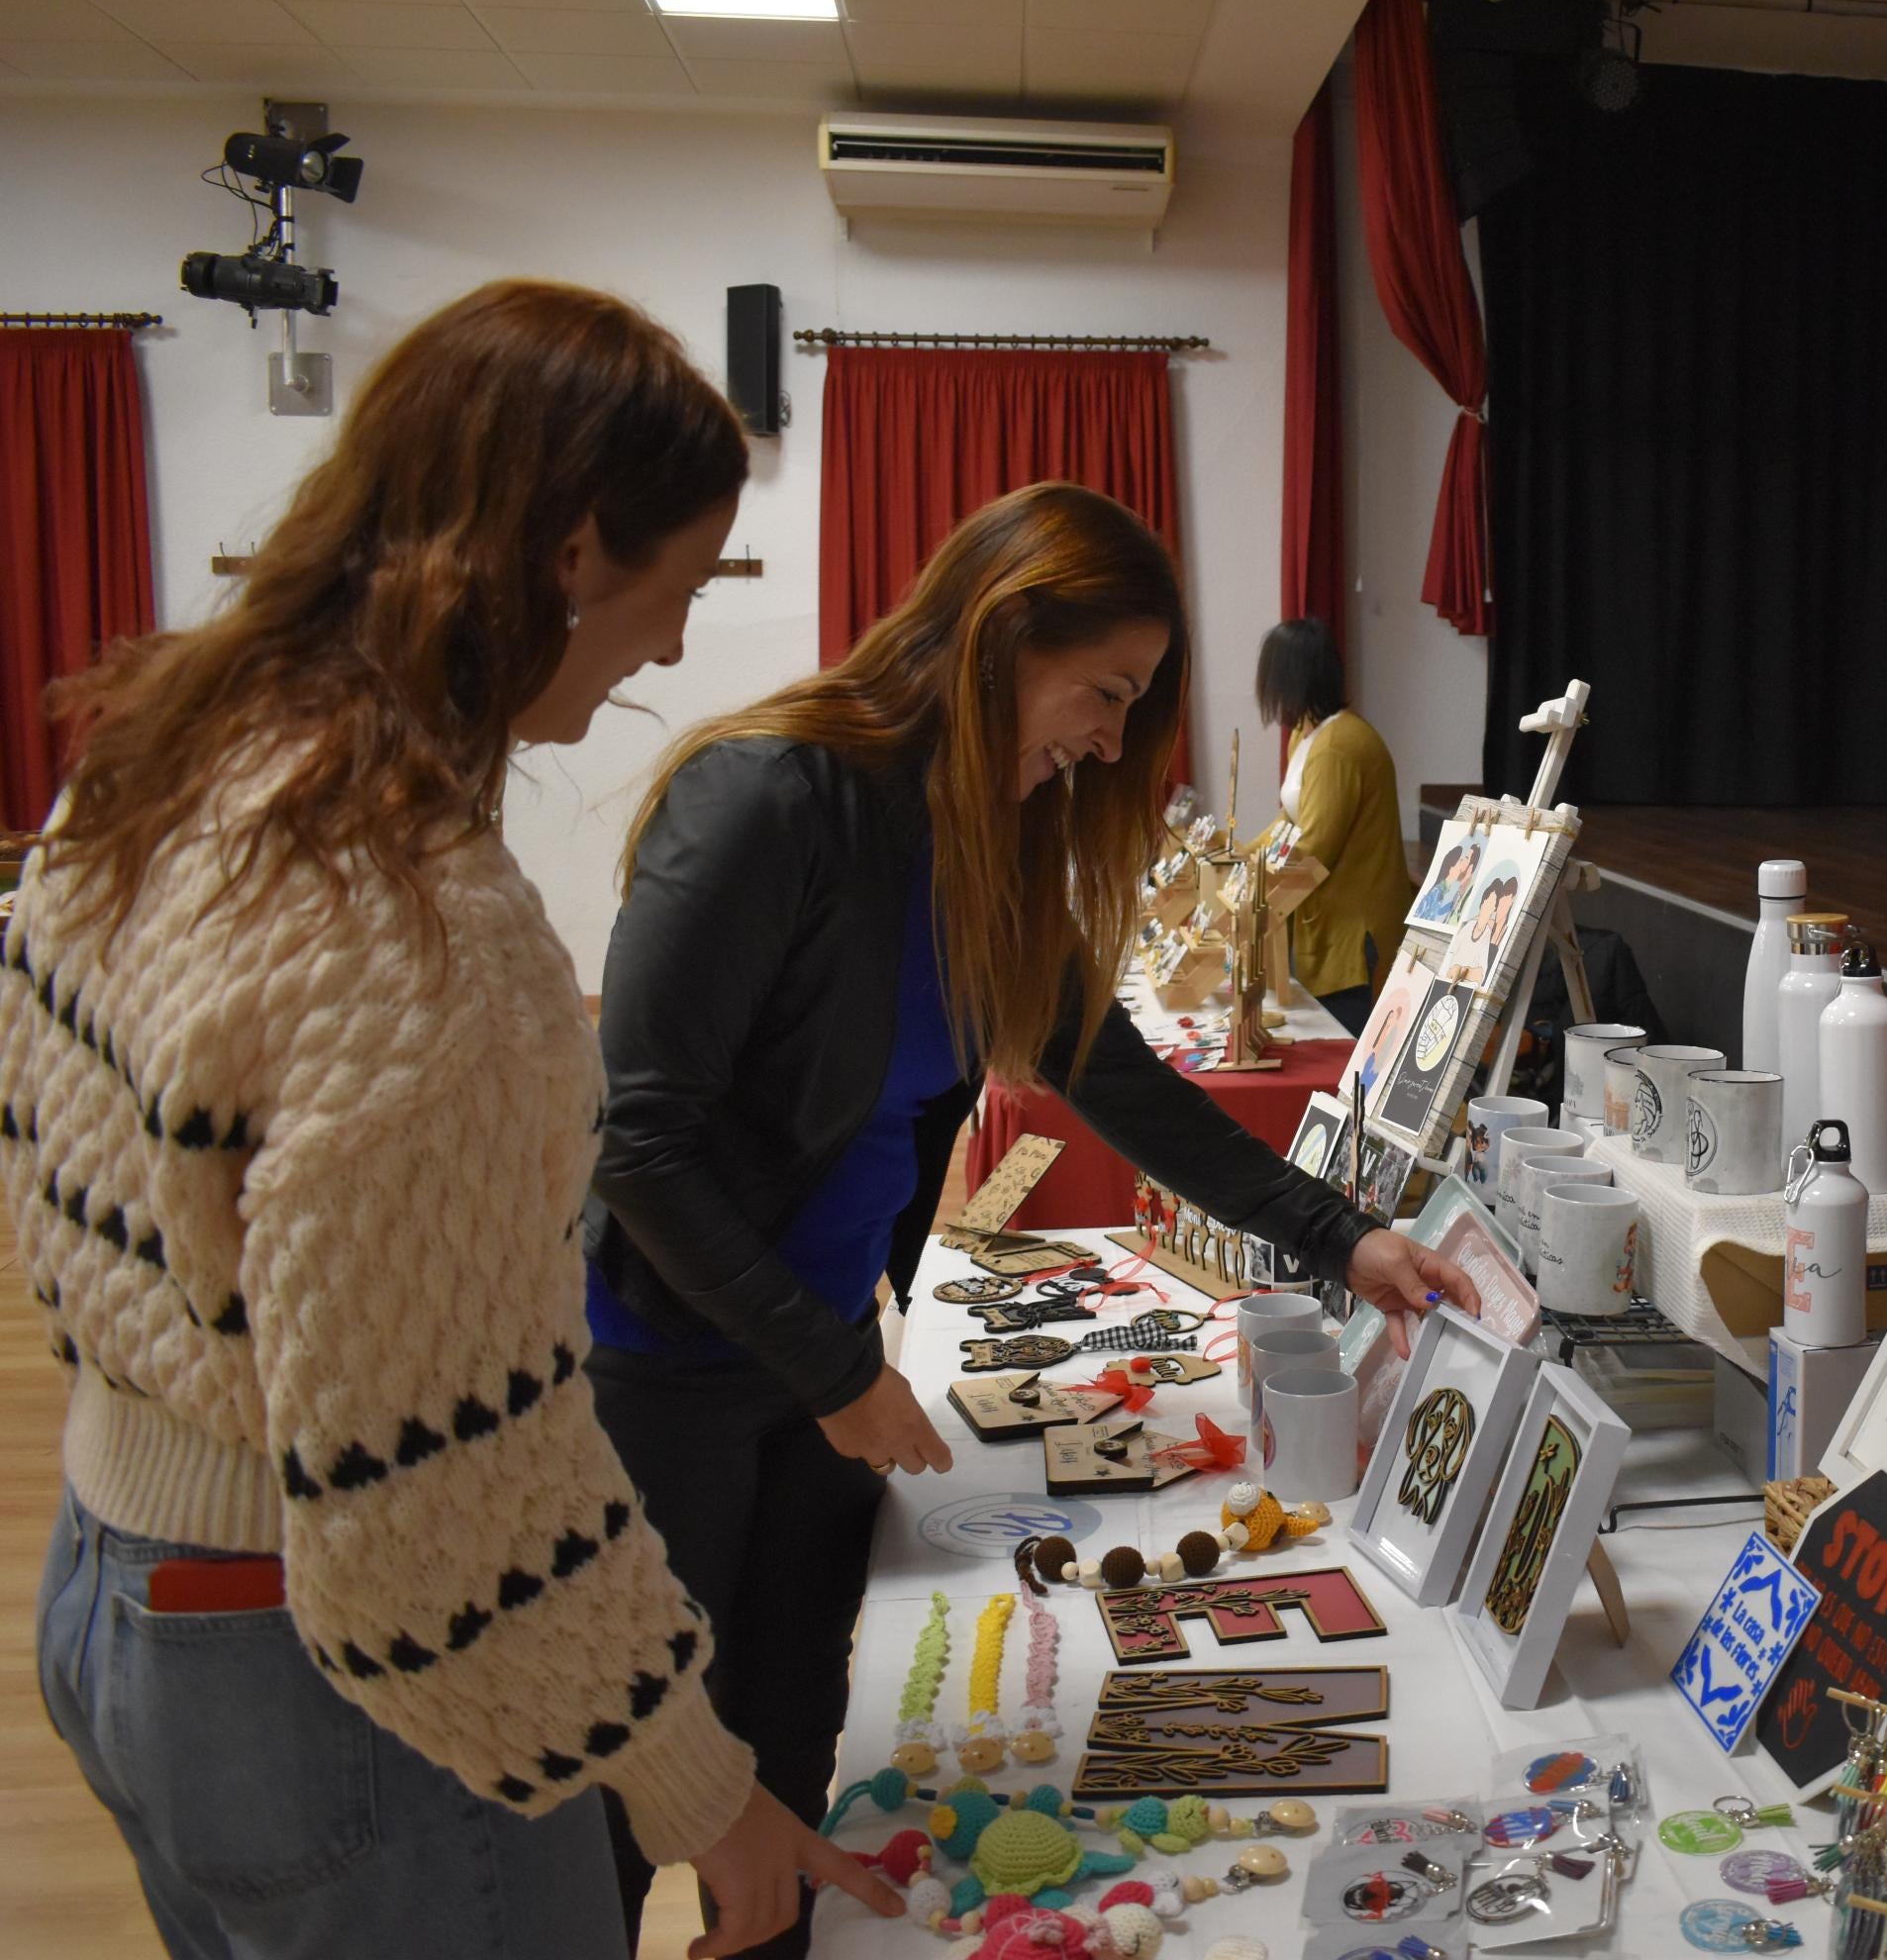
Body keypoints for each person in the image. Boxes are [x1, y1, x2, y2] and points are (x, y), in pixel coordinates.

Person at [0, 282, 898, 1960]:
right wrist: (706, 1787)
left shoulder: (152, 761)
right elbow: (438, 1500)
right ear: (570, 554)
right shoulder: (430, 944)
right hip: (330, 1681)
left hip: (119, 1589)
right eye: (679, 587)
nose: (678, 647)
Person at [583, 483, 1480, 1957]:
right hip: (671, 1375)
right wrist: (835, 1372)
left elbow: (1120, 1081)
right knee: (627, 1797)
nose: (1115, 740)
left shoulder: (981, 842)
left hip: (819, 1373)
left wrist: (1343, 1239)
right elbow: (648, 1142)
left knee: (791, 1759)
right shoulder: (771, 799)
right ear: (1001, 638)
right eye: (1104, 692)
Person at [1254, 618, 1414, 1033]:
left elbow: (1313, 850)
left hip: (1352, 933)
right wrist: (1237, 857)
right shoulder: (1307, 735)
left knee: (1347, 1056)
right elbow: (1286, 825)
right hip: (1322, 922)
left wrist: (1249, 888)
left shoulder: (1339, 746)